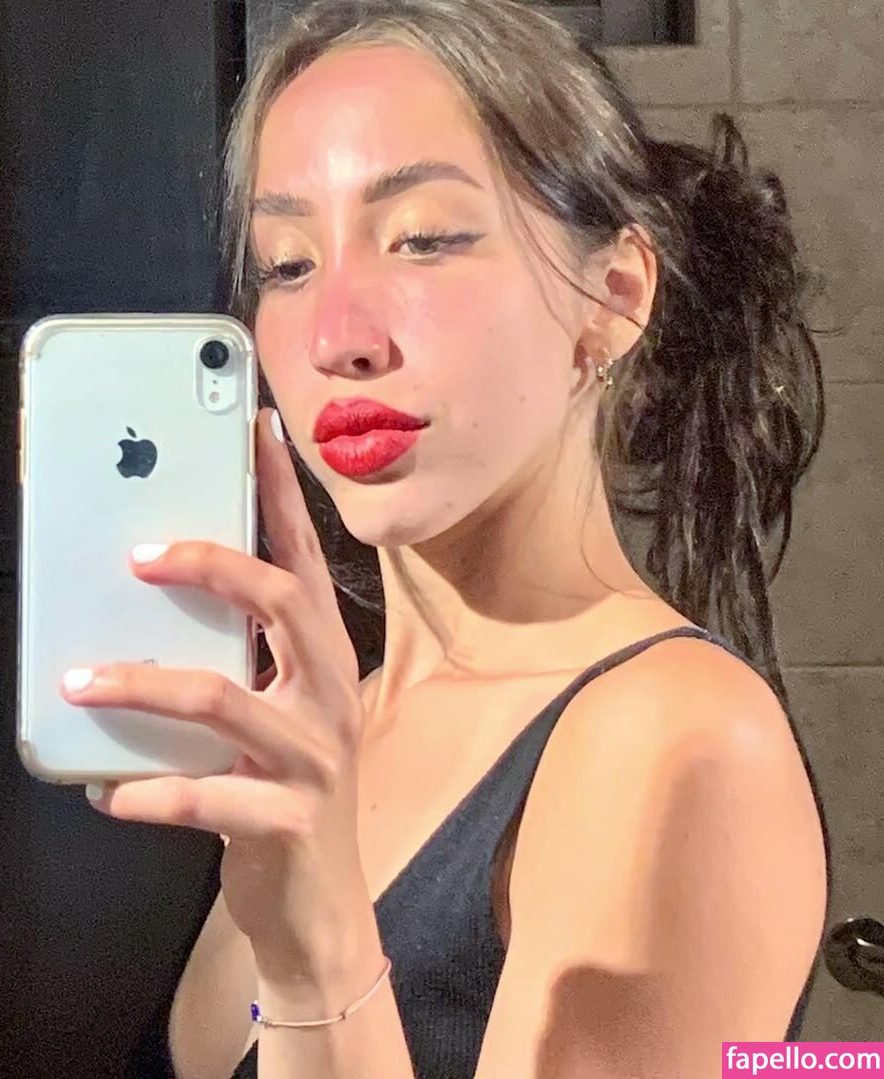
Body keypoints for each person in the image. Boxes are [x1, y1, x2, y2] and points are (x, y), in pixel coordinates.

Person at [74, 2, 831, 1076]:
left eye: (423, 239)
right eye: (287, 264)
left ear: (612, 298)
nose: (336, 336)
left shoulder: (678, 739)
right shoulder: (331, 722)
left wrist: (318, 955)